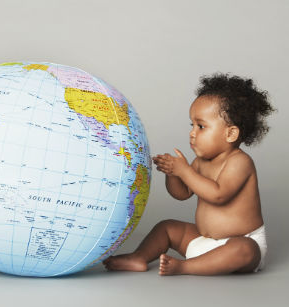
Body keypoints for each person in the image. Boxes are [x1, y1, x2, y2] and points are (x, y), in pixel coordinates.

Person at [103, 73, 276, 275]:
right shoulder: (200, 162)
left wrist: (184, 171)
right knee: (166, 227)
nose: (192, 133)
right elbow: (181, 194)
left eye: (201, 126)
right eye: (191, 125)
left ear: (230, 134)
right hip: (204, 241)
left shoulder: (239, 162)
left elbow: (218, 195)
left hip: (238, 243)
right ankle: (138, 257)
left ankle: (185, 267)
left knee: (246, 249)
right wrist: (173, 174)